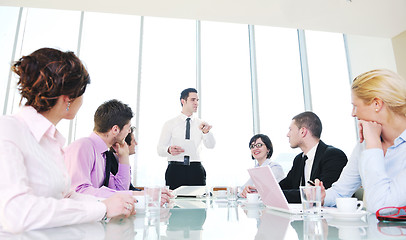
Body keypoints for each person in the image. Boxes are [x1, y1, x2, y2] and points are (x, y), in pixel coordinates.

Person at [0, 48, 135, 233]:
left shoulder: (51, 141)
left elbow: (67, 196)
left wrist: (113, 202)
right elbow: (17, 213)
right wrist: (102, 208)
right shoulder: (9, 129)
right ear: (68, 100)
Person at [315, 69, 406, 213]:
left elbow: (382, 207)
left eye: (356, 106)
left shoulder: (371, 142)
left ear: (377, 104)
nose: (353, 113)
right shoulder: (365, 144)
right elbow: (341, 191)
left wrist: (374, 144)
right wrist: (323, 197)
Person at [246, 112, 348, 203]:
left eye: (290, 130)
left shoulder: (333, 156)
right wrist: (261, 191)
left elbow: (318, 195)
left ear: (303, 132)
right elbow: (284, 186)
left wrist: (271, 194)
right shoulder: (299, 159)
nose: (287, 134)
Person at [157, 88, 215, 190]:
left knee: (198, 203)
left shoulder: (201, 124)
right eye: (193, 100)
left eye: (197, 100)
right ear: (183, 101)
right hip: (175, 170)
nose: (196, 103)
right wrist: (169, 150)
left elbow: (211, 145)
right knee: (173, 203)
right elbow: (160, 150)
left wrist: (206, 133)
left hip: (196, 170)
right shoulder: (169, 124)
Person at [240, 134, 284, 198]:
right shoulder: (256, 169)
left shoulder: (275, 167)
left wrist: (251, 191)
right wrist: (244, 191)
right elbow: (242, 190)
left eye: (259, 145)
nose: (255, 148)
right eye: (252, 146)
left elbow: (267, 191)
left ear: (268, 149)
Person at [106, 126, 140, 191]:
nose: (136, 144)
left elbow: (130, 188)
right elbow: (120, 190)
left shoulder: (121, 161)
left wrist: (146, 193)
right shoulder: (108, 160)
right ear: (124, 143)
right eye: (134, 141)